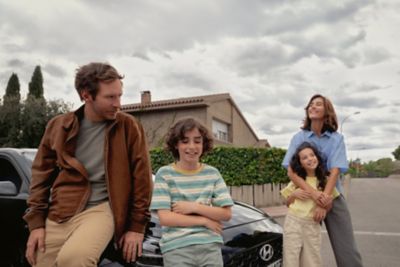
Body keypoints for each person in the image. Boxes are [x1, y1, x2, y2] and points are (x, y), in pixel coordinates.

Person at [23, 62, 153, 267]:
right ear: (86, 95)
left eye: (119, 95)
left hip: (101, 209)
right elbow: (41, 175)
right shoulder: (59, 126)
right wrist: (36, 224)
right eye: (110, 97)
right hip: (61, 211)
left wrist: (137, 227)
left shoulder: (128, 126)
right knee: (40, 261)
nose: (118, 103)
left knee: (74, 259)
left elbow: (143, 178)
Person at [282, 94, 363, 267]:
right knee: (302, 251)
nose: (313, 106)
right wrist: (314, 194)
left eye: (318, 104)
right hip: (306, 193)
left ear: (327, 111)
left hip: (331, 194)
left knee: (346, 248)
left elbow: (335, 172)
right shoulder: (299, 137)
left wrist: (323, 201)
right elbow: (291, 171)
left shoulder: (336, 139)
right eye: (311, 104)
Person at [150, 118, 233, 267]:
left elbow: (226, 214)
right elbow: (165, 218)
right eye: (185, 141)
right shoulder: (165, 174)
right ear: (176, 144)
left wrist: (194, 207)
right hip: (176, 248)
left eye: (197, 141)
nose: (192, 146)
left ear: (203, 144)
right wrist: (204, 221)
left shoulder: (212, 173)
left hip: (210, 247)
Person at [281, 142, 339, 267]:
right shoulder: (297, 180)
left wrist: (324, 207)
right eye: (304, 157)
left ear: (317, 157)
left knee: (312, 261)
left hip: (312, 225)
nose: (310, 159)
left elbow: (329, 206)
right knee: (290, 260)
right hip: (293, 222)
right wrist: (294, 195)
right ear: (300, 163)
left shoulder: (325, 181)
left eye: (312, 155)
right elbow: (287, 203)